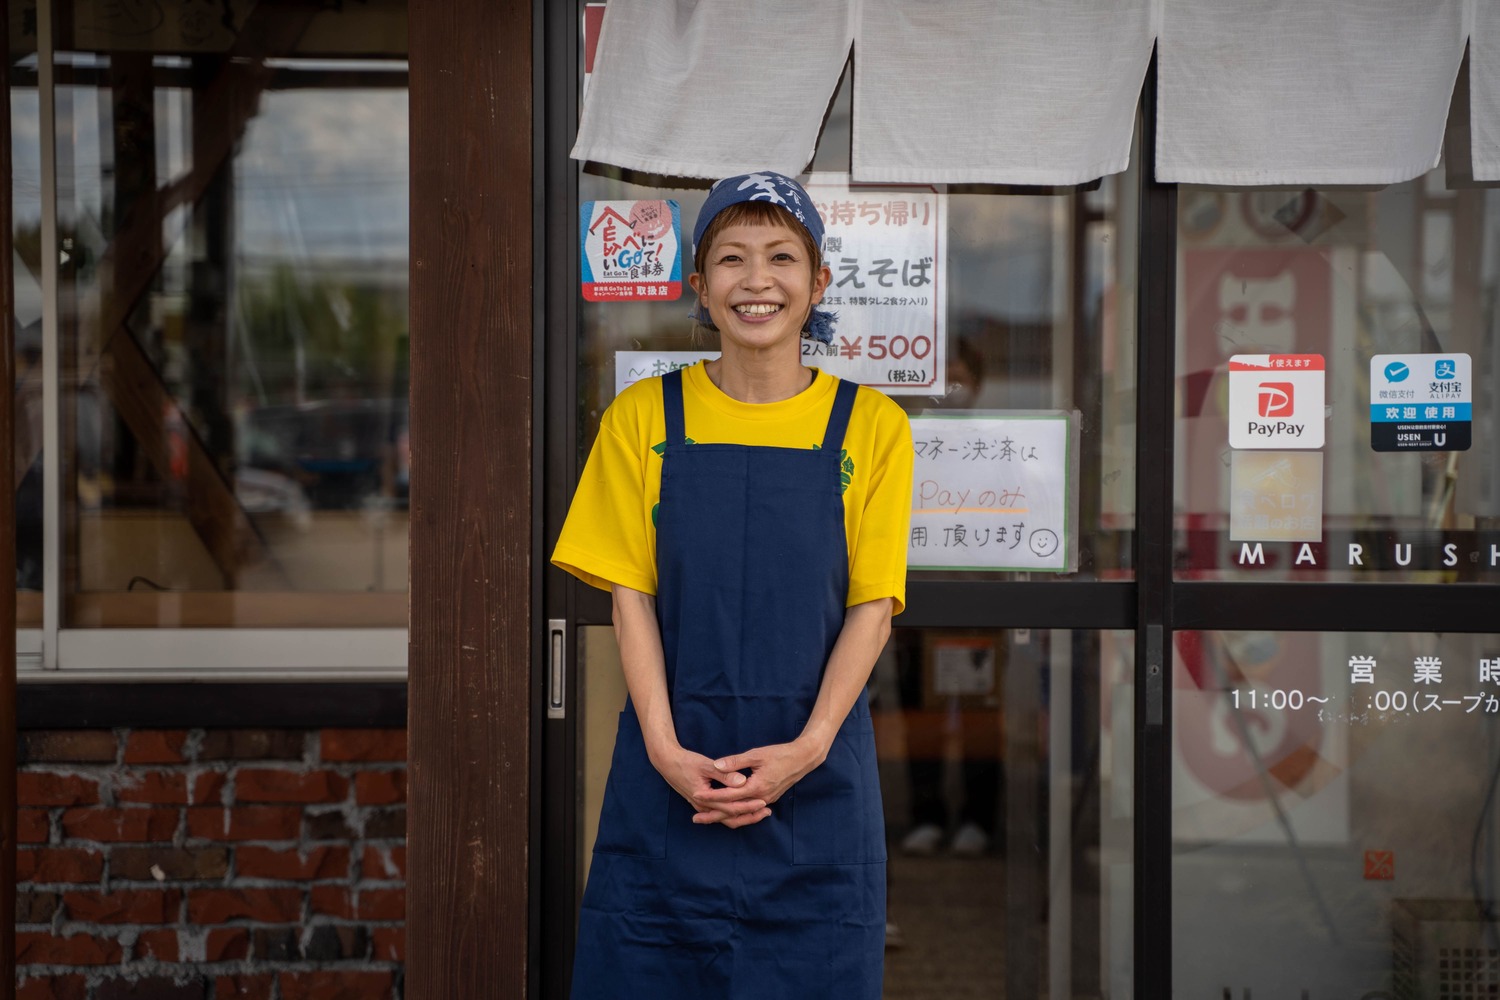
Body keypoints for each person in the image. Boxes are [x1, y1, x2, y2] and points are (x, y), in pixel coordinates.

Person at [552, 171, 915, 997]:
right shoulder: (644, 417)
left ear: (818, 282)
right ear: (700, 284)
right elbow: (629, 598)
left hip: (818, 779)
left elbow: (873, 607)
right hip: (671, 772)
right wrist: (665, 751)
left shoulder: (873, 426)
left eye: (782, 257)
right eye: (731, 259)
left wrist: (809, 748)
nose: (757, 281)